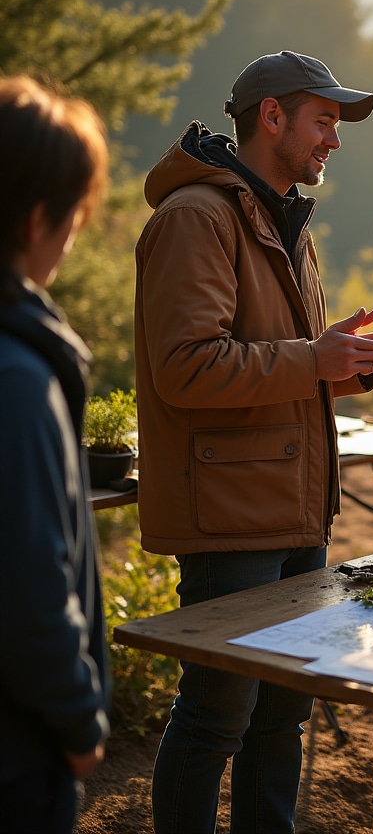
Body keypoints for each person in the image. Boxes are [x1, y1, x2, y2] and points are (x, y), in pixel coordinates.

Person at [135, 50, 373, 834]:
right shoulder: (196, 217)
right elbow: (185, 368)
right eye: (324, 120)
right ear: (273, 117)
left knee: (281, 714)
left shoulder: (281, 215)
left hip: (293, 508)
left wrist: (348, 362)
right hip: (230, 513)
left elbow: (282, 360)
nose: (334, 139)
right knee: (215, 717)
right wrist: (313, 359)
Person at [0, 76, 111, 832]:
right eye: (74, 218)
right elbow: (32, 586)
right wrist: (79, 726)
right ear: (40, 218)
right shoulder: (17, 379)